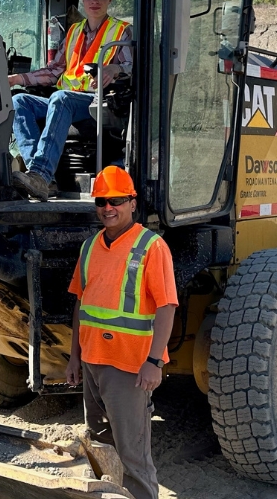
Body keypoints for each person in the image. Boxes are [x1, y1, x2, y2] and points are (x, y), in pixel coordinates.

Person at [65, 166, 176, 499]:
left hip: (130, 369)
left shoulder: (150, 247)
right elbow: (81, 307)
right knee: (98, 444)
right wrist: (74, 357)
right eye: (101, 201)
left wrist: (154, 362)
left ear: (132, 203)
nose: (107, 207)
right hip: (93, 365)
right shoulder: (89, 248)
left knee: (133, 456)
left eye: (115, 200)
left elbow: (167, 306)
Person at [8, 0, 132, 200]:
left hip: (95, 103)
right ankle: (45, 180)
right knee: (19, 100)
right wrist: (18, 79)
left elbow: (132, 67)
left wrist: (115, 69)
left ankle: (41, 175)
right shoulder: (74, 31)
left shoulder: (121, 31)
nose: (95, 1)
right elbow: (55, 69)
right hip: (66, 100)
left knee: (60, 98)